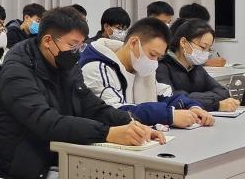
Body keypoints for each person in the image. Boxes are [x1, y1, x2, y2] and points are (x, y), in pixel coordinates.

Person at [0, 7, 154, 179]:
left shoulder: (65, 63)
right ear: (48, 41)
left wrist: (130, 122)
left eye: (80, 45)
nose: (76, 52)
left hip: (55, 155)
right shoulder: (17, 69)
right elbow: (46, 122)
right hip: (17, 170)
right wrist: (107, 133)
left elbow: (89, 104)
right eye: (72, 45)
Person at [79, 17, 211, 128]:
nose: (154, 62)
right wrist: (168, 115)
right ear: (133, 43)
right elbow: (114, 112)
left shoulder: (141, 67)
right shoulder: (97, 68)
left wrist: (193, 108)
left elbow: (165, 95)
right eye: (152, 54)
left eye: (159, 57)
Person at [156, 20, 240, 112]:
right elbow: (174, 101)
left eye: (209, 49)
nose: (205, 53)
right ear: (183, 42)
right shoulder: (162, 67)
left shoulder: (197, 68)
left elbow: (223, 92)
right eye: (203, 47)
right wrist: (215, 104)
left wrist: (191, 96)